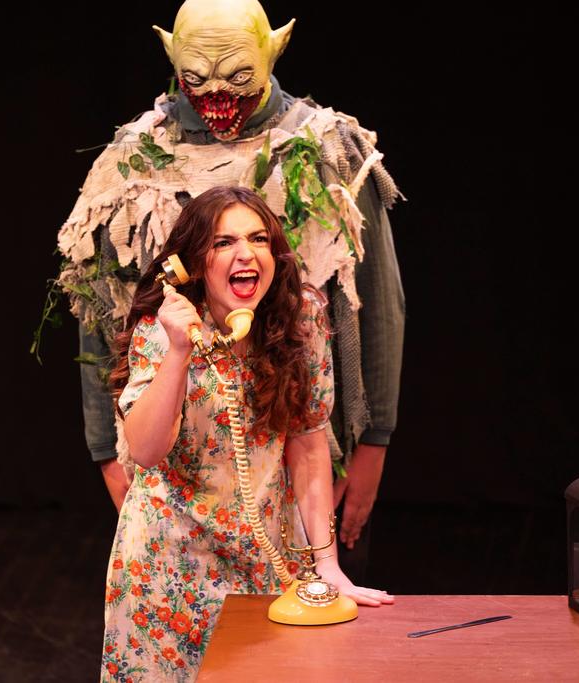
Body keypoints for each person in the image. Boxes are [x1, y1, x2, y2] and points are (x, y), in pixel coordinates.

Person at [61, 0, 404, 585]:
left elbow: (377, 303)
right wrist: (104, 451)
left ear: (274, 50)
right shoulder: (134, 157)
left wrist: (372, 442)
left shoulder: (324, 147)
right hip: (180, 466)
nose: (217, 95)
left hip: (311, 450)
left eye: (238, 75)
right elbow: (101, 314)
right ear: (172, 57)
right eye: (197, 77)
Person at [100, 186, 393, 681]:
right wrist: (178, 351)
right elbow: (146, 452)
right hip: (168, 562)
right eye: (222, 243)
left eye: (258, 238)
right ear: (192, 262)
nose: (245, 253)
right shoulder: (164, 327)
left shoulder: (300, 317)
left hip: (265, 553)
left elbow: (308, 441)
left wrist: (328, 565)